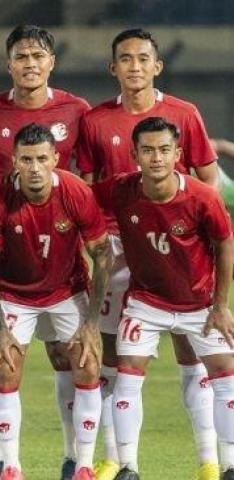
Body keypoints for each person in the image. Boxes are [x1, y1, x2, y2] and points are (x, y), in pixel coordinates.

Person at [76, 28, 221, 480]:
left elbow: (209, 179)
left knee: (192, 353)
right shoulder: (96, 121)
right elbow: (87, 190)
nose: (134, 66)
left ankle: (210, 460)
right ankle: (115, 458)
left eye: (143, 58)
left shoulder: (184, 113)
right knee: (112, 355)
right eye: (125, 59)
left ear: (157, 65)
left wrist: (193, 232)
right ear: (112, 67)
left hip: (179, 247)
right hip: (118, 248)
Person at [0, 25, 91, 480]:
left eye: (38, 55)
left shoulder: (77, 110)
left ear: (51, 62)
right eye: (21, 56)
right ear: (8, 64)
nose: (30, 64)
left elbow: (88, 181)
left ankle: (76, 456)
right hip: (3, 259)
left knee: (68, 357)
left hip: (60, 257)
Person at [91, 117, 234, 480]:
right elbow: (79, 196)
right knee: (128, 373)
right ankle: (128, 467)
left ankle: (229, 464)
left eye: (164, 150)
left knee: (224, 375)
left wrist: (220, 306)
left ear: (178, 155)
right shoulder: (120, 190)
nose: (157, 158)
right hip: (146, 303)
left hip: (199, 304)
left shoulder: (204, 197)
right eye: (148, 150)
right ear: (134, 154)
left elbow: (225, 245)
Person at [0, 123, 111, 480]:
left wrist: (92, 322)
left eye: (41, 159)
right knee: (5, 368)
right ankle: (10, 467)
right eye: (26, 159)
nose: (34, 167)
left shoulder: (76, 192)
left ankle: (82, 464)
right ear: (14, 161)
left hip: (67, 291)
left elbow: (102, 254)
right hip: (14, 294)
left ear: (54, 158)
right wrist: (0, 327)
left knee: (86, 365)